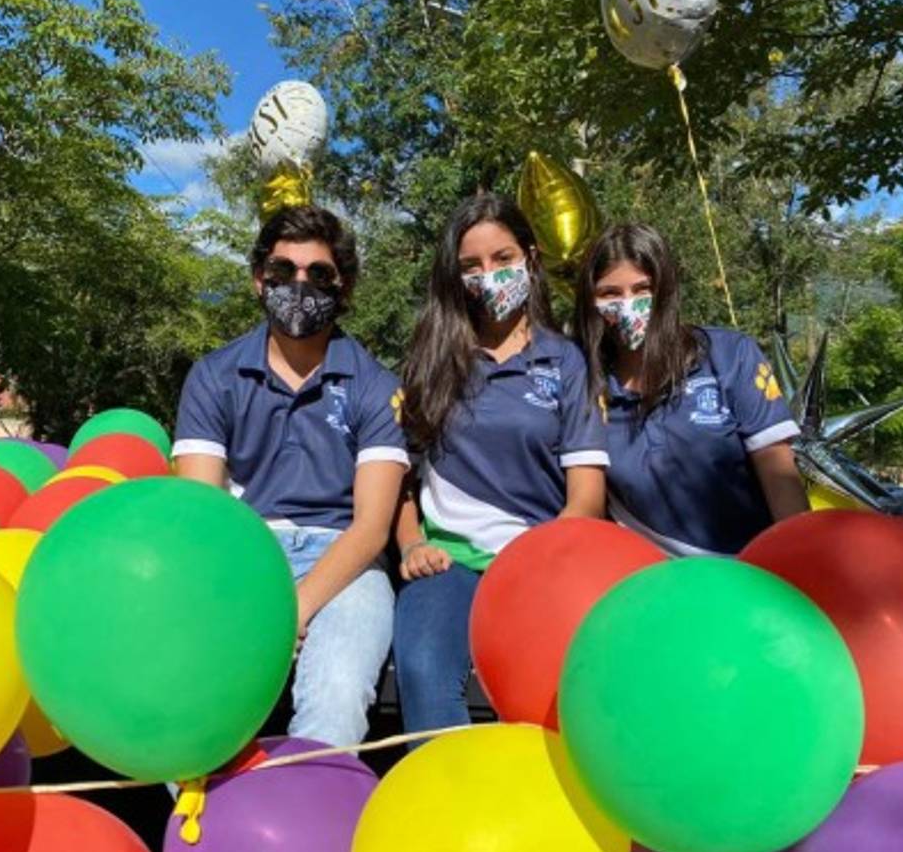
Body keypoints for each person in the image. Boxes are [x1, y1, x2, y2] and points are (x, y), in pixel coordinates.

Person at [172, 205, 409, 748]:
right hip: (246, 555)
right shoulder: (214, 377)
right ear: (259, 280)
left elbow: (371, 528)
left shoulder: (376, 386)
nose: (299, 286)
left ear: (342, 286)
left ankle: (310, 822)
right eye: (283, 272)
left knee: (337, 696)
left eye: (318, 274)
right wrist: (262, 601)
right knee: (192, 698)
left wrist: (297, 609)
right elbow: (204, 517)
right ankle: (205, 829)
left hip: (346, 562)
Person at [393, 193, 609, 738]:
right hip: (449, 567)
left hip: (539, 565)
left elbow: (586, 497)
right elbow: (400, 481)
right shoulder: (430, 360)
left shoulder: (567, 362)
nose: (489, 275)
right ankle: (446, 810)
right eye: (472, 265)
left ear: (531, 260)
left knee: (559, 691)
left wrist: (540, 564)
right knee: (420, 670)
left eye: (503, 259)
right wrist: (412, 544)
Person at [574, 223, 808, 556]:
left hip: (749, 579)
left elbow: (782, 482)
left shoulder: (730, 356)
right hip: (653, 588)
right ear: (591, 300)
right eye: (611, 293)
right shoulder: (583, 381)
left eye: (643, 289)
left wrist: (802, 567)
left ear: (666, 291)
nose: (628, 305)